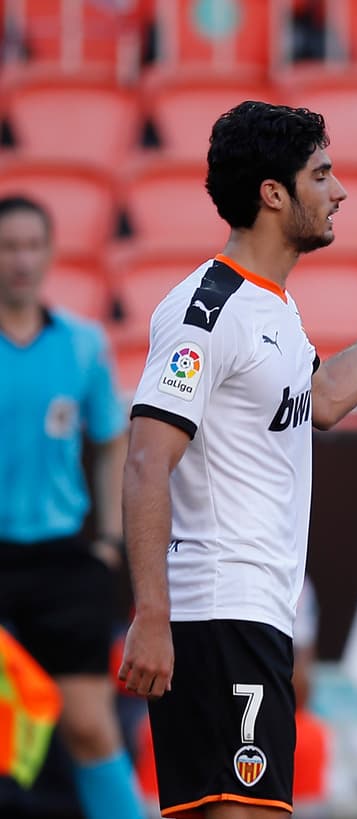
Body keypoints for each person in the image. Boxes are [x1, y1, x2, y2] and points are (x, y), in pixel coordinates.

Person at [115, 101, 357, 818]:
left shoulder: (274, 308)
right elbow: (145, 462)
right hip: (218, 613)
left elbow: (322, 399)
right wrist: (153, 615)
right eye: (321, 174)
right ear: (273, 193)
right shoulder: (209, 307)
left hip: (246, 614)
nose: (341, 191)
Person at [0, 195, 147, 819]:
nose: (21, 260)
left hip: (64, 561)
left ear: (52, 252)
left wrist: (109, 543)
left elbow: (113, 444)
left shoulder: (84, 346)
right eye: (9, 246)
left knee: (89, 727)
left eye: (33, 245)